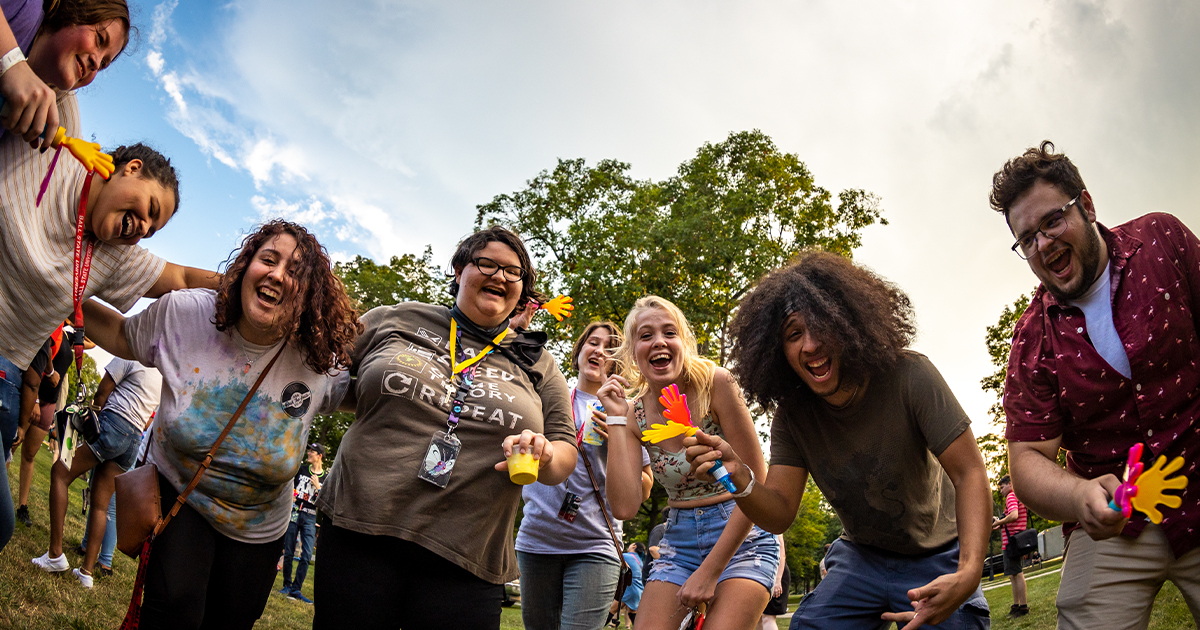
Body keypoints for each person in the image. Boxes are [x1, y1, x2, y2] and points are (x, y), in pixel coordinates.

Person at [685, 252, 992, 630]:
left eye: (821, 326)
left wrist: (969, 571)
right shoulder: (793, 416)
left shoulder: (910, 374)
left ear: (848, 325)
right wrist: (736, 476)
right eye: (794, 334)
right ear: (778, 352)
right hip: (861, 557)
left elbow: (970, 473)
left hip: (939, 552)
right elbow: (780, 513)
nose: (810, 345)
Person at [80, 219, 360, 629]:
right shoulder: (186, 314)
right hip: (182, 497)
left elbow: (368, 396)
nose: (277, 275)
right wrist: (56, 288)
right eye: (268, 259)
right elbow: (122, 335)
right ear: (246, 267)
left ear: (310, 296)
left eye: (296, 273)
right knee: (173, 608)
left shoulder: (320, 362)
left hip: (260, 528)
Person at [314, 226, 579, 630]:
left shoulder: (538, 363)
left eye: (513, 272)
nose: (500, 277)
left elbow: (564, 452)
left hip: (467, 556)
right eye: (486, 264)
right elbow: (320, 376)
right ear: (459, 270)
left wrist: (544, 454)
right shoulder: (398, 317)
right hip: (361, 529)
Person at [991, 141, 1200, 628]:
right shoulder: (1030, 339)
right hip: (1113, 529)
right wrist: (1079, 496)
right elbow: (1027, 461)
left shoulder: (1163, 241)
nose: (1042, 244)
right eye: (1027, 239)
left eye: (1052, 222)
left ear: (1085, 205)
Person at [600, 295, 780, 630]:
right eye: (645, 335)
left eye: (669, 332)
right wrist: (615, 420)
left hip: (743, 535)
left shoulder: (717, 384)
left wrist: (710, 571)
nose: (658, 342)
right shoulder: (633, 414)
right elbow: (624, 507)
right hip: (678, 540)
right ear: (633, 353)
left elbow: (759, 482)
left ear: (683, 342)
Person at [515, 321, 653, 630]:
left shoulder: (627, 411)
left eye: (609, 348)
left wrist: (616, 440)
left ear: (618, 363)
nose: (599, 351)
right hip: (537, 541)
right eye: (593, 342)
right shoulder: (546, 396)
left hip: (595, 545)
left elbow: (644, 488)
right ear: (579, 351)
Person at [31, 355, 160, 588]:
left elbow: (101, 394)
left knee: (60, 473)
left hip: (114, 423)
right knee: (101, 504)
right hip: (133, 440)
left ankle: (55, 555)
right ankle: (86, 572)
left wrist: (90, 425)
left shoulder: (131, 355)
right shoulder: (161, 373)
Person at [1, 0, 131, 147]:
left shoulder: (23, 107)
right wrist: (11, 63)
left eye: (103, 64)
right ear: (76, 11)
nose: (96, 63)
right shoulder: (25, 6)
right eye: (100, 39)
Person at [12, 325, 69, 527]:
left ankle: (22, 506)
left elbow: (92, 341)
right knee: (11, 446)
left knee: (30, 455)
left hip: (49, 402)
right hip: (33, 396)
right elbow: (36, 360)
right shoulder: (52, 325)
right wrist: (34, 400)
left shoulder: (67, 336)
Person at [279, 442, 328, 603]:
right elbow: (291, 486)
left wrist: (317, 486)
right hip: (294, 512)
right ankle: (287, 585)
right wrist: (292, 496)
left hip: (310, 516)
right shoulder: (301, 470)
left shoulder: (325, 477)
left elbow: (325, 501)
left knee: (306, 554)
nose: (309, 453)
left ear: (319, 455)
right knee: (289, 550)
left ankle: (296, 589)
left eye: (312, 451)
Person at [990, 475, 1028, 619]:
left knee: (1017, 574)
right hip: (1013, 540)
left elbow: (1014, 515)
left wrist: (999, 523)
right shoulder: (1016, 497)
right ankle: (1016, 605)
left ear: (1010, 484)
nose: (1000, 491)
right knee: (1013, 575)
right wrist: (1000, 523)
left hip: (1012, 542)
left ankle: (1022, 607)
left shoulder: (1011, 497)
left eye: (1002, 487)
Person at [758, 535, 789, 630]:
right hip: (759, 570)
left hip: (775, 572)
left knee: (768, 617)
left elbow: (781, 553)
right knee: (758, 618)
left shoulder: (773, 524)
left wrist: (777, 580)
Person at [619, 542, 647, 629]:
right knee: (633, 611)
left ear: (634, 546)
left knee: (613, 608)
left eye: (631, 544)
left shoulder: (627, 556)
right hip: (638, 588)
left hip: (630, 586)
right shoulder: (640, 560)